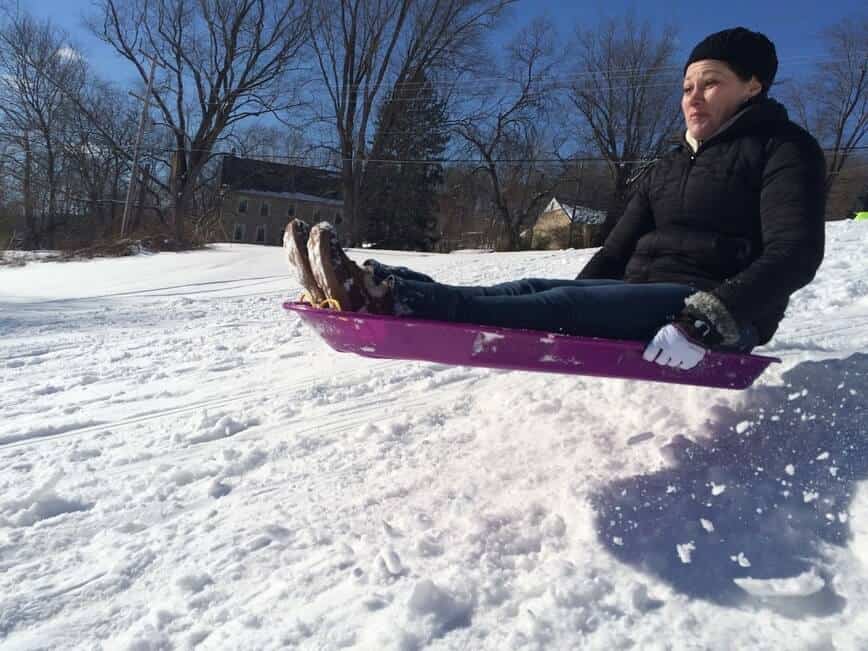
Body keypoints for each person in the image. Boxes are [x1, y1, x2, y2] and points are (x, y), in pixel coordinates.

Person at [285, 27, 826, 371]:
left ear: (753, 87)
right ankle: (376, 284)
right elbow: (613, 254)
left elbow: (795, 253)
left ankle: (384, 298)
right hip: (641, 299)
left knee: (555, 305)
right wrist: (582, 306)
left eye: (711, 83)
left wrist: (710, 320)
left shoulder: (784, 148)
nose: (692, 97)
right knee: (530, 289)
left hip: (708, 311)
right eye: (686, 86)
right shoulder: (670, 161)